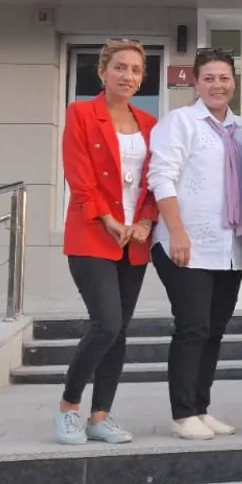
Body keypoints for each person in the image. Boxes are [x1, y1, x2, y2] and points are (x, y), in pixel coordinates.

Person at [57, 38, 159, 445]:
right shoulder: (81, 114)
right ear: (102, 72)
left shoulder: (150, 123)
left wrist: (146, 221)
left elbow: (155, 182)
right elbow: (79, 178)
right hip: (92, 236)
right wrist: (109, 219)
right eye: (119, 67)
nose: (127, 76)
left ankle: (100, 416)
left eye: (135, 70)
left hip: (134, 241)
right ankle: (69, 407)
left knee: (120, 331)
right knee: (106, 324)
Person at [147, 49, 242, 441]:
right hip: (185, 244)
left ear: (234, 82)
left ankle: (200, 408)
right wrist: (176, 231)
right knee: (193, 326)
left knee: (214, 330)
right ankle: (183, 412)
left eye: (224, 78)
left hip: (230, 247)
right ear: (195, 82)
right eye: (208, 78)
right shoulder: (180, 122)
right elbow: (161, 177)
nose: (217, 85)